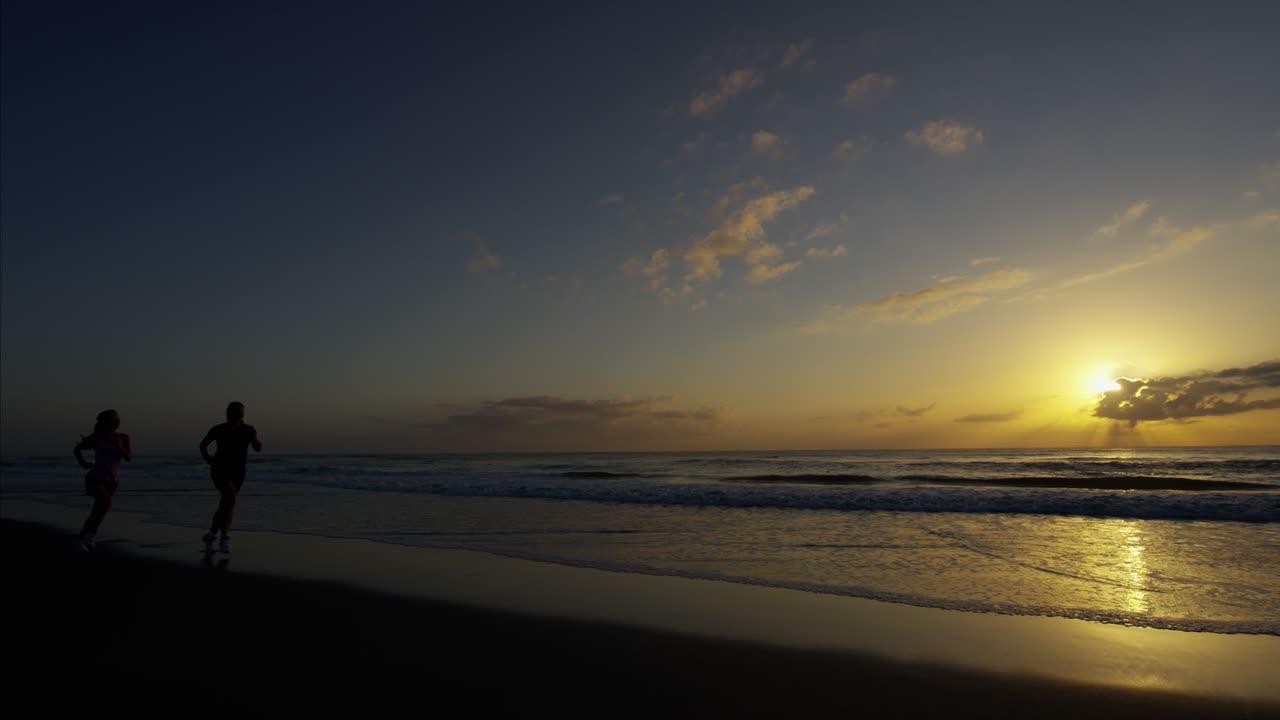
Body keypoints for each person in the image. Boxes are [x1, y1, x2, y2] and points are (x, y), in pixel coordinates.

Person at [199, 401, 262, 553]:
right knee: (230, 497)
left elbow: (257, 447)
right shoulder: (219, 429)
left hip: (238, 472)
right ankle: (225, 537)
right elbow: (203, 445)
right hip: (220, 469)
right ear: (229, 413)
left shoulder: (248, 429)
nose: (241, 414)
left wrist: (255, 441)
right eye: (238, 411)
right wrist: (208, 458)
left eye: (242, 411)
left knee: (226, 504)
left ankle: (211, 535)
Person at [73, 409, 132, 550]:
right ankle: (90, 536)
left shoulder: (123, 437)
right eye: (114, 419)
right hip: (95, 478)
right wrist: (83, 463)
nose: (117, 421)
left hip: (111, 481)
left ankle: (83, 538)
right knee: (105, 503)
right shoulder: (97, 437)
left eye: (118, 418)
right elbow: (77, 449)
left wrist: (119, 447)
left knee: (98, 511)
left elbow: (129, 458)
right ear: (106, 422)